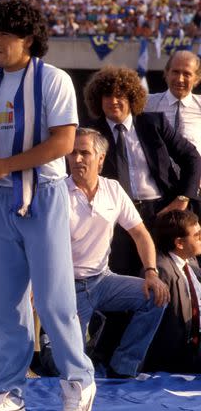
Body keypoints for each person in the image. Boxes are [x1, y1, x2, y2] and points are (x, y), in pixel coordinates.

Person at [0, 0, 95, 411]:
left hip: (45, 195)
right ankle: (9, 393)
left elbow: (63, 143)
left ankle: (78, 380)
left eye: (4, 35)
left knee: (55, 300)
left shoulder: (54, 80)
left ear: (29, 38)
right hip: (0, 197)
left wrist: (5, 164)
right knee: (4, 304)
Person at [66, 128, 168, 378]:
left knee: (156, 296)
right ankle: (74, 344)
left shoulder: (113, 189)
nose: (77, 158)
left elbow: (141, 234)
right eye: (72, 153)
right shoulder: (56, 191)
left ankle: (123, 367)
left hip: (103, 280)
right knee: (65, 368)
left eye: (84, 153)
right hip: (67, 287)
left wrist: (151, 272)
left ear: (100, 158)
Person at [84, 65, 201, 277]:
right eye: (107, 96)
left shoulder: (153, 123)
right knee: (123, 273)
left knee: (169, 274)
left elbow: (192, 157)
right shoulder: (91, 133)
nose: (113, 101)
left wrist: (183, 197)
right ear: (98, 100)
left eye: (120, 95)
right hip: (116, 215)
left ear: (131, 98)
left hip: (160, 211)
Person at [146, 210, 201, 373]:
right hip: (180, 355)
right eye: (197, 235)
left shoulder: (189, 260)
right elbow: (160, 330)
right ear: (179, 243)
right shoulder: (161, 271)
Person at [144, 50, 201, 153]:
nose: (180, 79)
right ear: (166, 73)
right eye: (175, 72)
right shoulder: (147, 103)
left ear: (197, 79)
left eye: (187, 74)